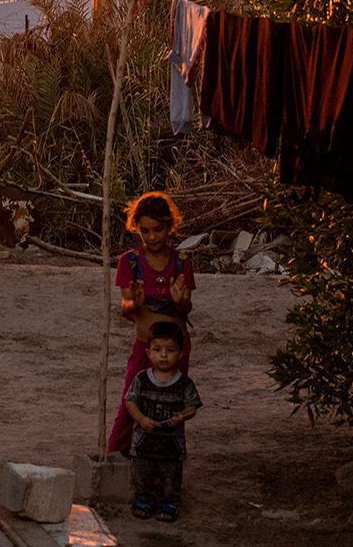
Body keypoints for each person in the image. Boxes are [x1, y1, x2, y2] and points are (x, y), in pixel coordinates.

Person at [108, 191, 195, 457]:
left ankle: (163, 465)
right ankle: (117, 459)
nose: (152, 236)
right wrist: (134, 302)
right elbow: (126, 309)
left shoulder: (181, 262)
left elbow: (186, 308)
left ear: (170, 227)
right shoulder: (129, 262)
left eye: (158, 229)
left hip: (175, 347)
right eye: (145, 230)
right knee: (130, 403)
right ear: (137, 229)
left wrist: (179, 301)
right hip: (146, 346)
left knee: (169, 407)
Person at [124, 321, 202, 522]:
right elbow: (130, 402)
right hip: (144, 440)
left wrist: (182, 415)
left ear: (181, 354)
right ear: (149, 353)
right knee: (143, 473)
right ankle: (144, 500)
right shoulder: (141, 379)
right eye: (158, 350)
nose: (164, 355)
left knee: (171, 475)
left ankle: (170, 503)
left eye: (170, 350)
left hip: (172, 443)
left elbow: (192, 407)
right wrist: (141, 419)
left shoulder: (185, 383)